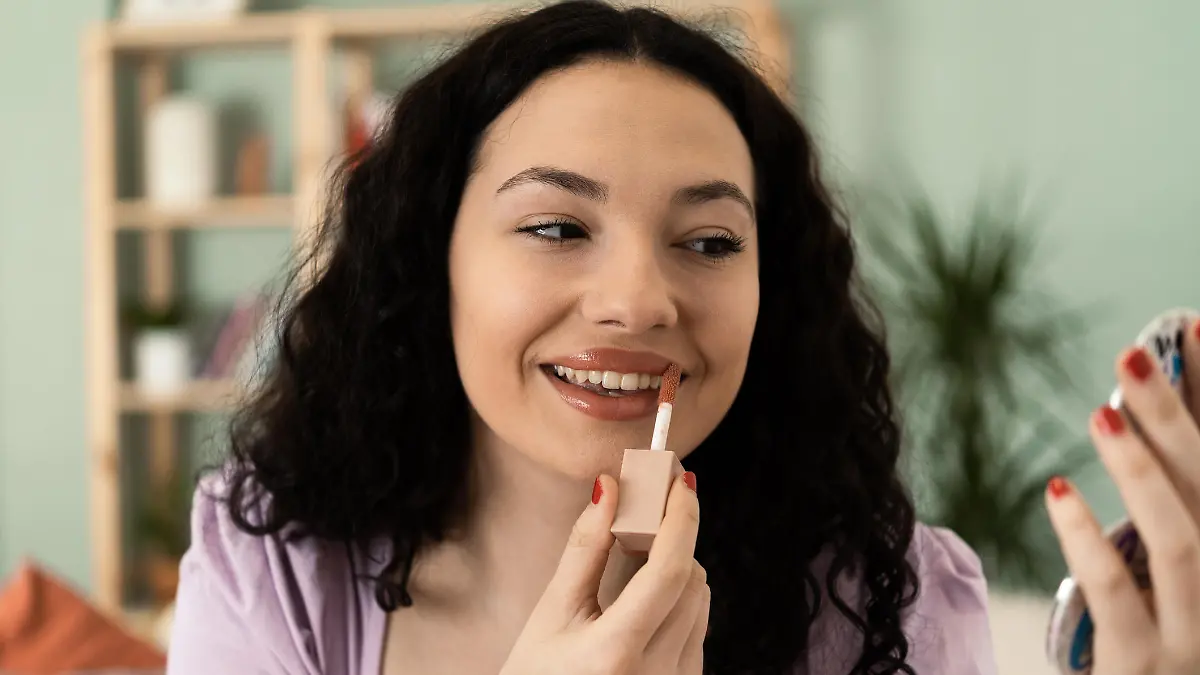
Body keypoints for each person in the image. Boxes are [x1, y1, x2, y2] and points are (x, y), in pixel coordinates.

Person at [165, 1, 1200, 674]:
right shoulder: (277, 574)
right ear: (428, 261)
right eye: (557, 227)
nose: (638, 301)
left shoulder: (898, 609)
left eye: (709, 240)